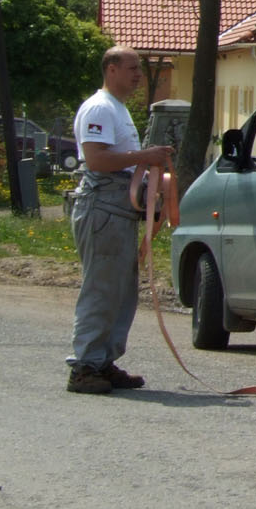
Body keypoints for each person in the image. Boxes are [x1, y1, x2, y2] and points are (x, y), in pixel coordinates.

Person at [65, 47, 174, 394]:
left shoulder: (118, 108)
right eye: (131, 68)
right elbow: (97, 159)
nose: (138, 74)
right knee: (101, 289)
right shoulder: (100, 107)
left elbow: (120, 162)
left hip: (118, 208)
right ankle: (84, 367)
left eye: (139, 68)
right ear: (111, 69)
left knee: (120, 290)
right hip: (102, 208)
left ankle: (103, 361)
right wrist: (145, 156)